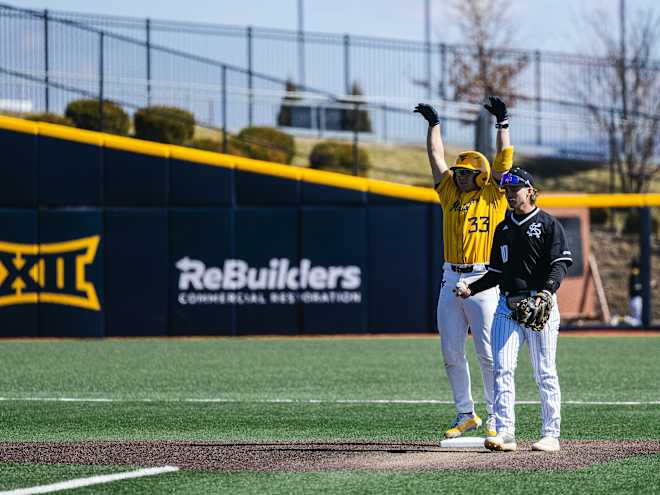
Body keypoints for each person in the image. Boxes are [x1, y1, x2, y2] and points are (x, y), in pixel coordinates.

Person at [414, 97, 513, 439]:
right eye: (458, 172)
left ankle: (498, 417)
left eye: (466, 173)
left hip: (483, 278)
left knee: (487, 352)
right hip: (450, 275)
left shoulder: (494, 195)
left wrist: (503, 124)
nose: (458, 175)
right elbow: (435, 157)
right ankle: (465, 413)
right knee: (451, 352)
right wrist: (434, 125)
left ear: (480, 175)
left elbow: (504, 158)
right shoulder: (449, 193)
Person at [455, 167, 573, 452]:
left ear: (530, 191)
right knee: (502, 368)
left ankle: (550, 433)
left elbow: (560, 264)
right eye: (507, 190)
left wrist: (546, 292)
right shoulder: (503, 227)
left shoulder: (547, 223)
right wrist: (472, 288)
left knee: (544, 371)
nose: (509, 194)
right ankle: (506, 432)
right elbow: (496, 272)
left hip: (539, 305)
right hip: (507, 306)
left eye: (515, 189)